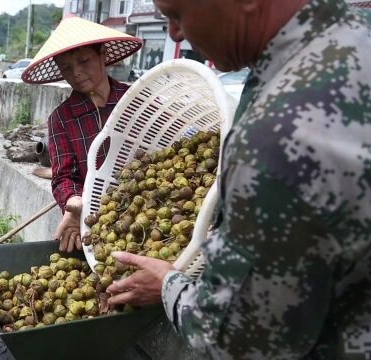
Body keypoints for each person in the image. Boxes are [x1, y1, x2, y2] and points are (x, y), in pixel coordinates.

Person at [106, 0, 371, 358]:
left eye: (176, 13)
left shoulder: (279, 137)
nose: (174, 33)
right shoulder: (355, 30)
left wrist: (168, 285)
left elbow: (235, 338)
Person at [21, 17, 142, 253]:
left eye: (84, 61)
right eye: (66, 67)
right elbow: (64, 176)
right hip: (95, 219)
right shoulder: (61, 119)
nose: (76, 72)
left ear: (103, 56)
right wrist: (74, 202)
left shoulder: (137, 100)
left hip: (146, 210)